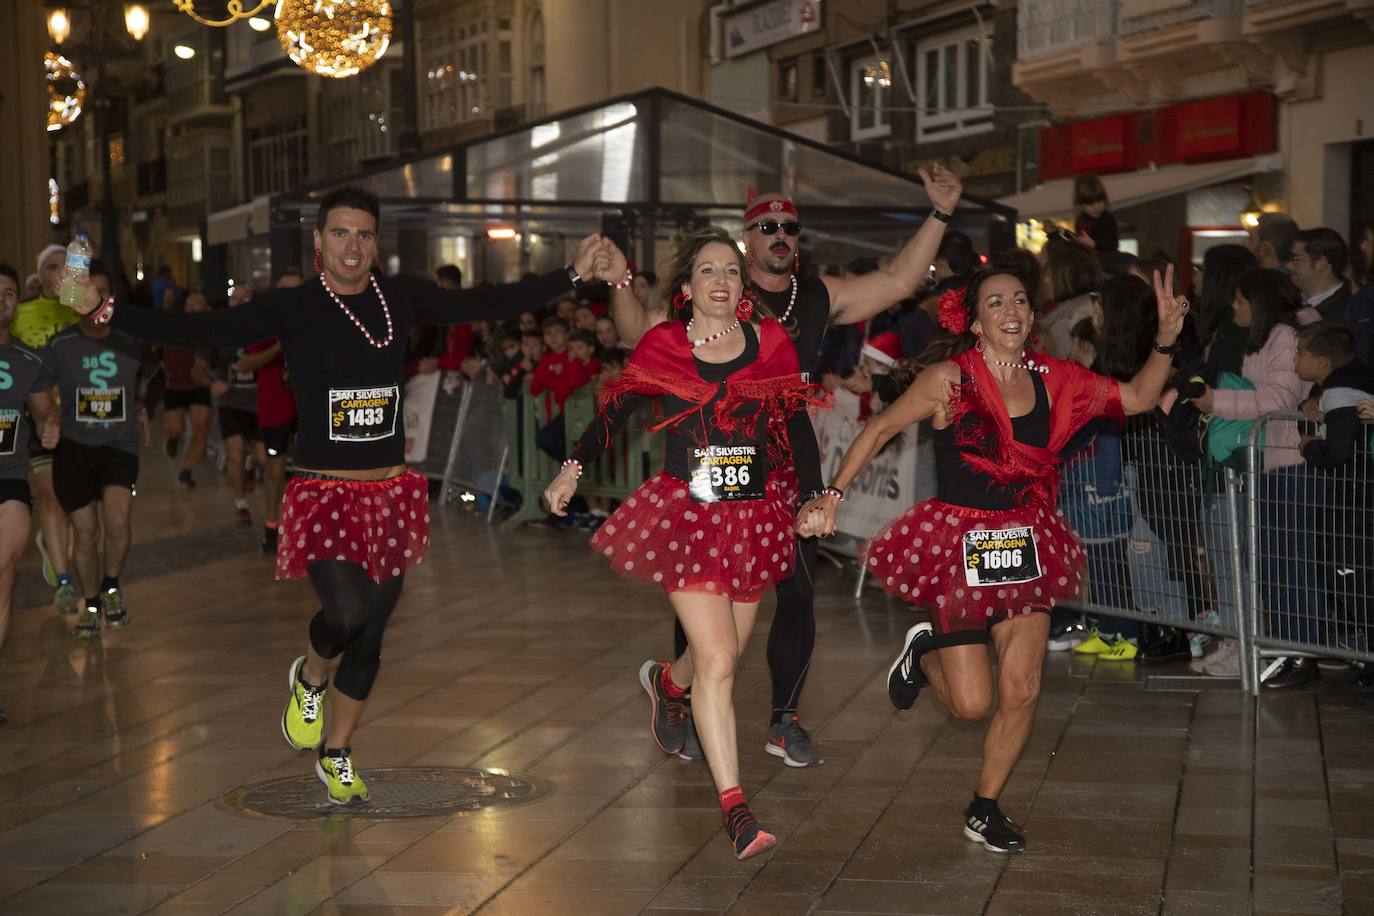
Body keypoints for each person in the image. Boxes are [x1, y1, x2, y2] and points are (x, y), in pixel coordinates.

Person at [75, 185, 609, 804]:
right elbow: (197, 328)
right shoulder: (295, 307)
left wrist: (572, 273)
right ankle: (309, 674)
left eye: (362, 235)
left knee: (374, 634)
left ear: (374, 245)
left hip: (389, 494)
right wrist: (104, 307)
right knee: (347, 616)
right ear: (318, 244)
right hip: (324, 492)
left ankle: (337, 751)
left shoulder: (399, 298)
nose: (351, 246)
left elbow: (485, 302)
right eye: (339, 234)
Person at [798, 263, 1187, 853]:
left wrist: (1164, 341)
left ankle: (984, 807)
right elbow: (878, 430)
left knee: (1023, 688)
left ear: (1031, 317)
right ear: (977, 322)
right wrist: (831, 494)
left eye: (1020, 301)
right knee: (972, 704)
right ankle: (926, 648)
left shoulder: (1056, 378)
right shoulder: (948, 381)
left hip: (1027, 545)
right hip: (961, 547)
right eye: (996, 302)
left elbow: (1136, 396)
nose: (1010, 309)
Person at [607, 162, 966, 768]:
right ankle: (683, 695)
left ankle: (783, 721)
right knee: (707, 590)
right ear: (747, 240)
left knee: (798, 592)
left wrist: (941, 212)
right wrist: (619, 284)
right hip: (714, 463)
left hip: (791, 466)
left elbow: (900, 279)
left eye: (789, 227)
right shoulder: (713, 293)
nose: (779, 234)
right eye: (766, 225)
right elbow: (636, 331)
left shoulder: (817, 295)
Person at [544, 228, 826, 859]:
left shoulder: (771, 342)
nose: (721, 281)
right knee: (721, 658)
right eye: (708, 271)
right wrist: (573, 466)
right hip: (687, 515)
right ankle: (737, 810)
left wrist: (814, 492)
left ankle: (669, 688)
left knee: (713, 659)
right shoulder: (665, 343)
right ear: (687, 288)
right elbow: (614, 409)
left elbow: (795, 419)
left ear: (742, 285)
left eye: (731, 270)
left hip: (752, 518)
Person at [1190, 269, 1321, 683]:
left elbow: (1279, 397)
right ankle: (1288, 649)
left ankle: (1302, 652)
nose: (1234, 306)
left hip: (1288, 460)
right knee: (1271, 562)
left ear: (1258, 302)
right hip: (1267, 460)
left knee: (1289, 562)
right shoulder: (1263, 338)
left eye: (1240, 300)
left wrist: (1218, 401)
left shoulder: (1283, 335)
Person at [48, 268, 162, 638]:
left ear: (110, 300)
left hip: (119, 444)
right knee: (85, 534)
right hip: (75, 447)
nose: (90, 299)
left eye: (99, 293)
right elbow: (41, 390)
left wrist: (143, 404)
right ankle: (91, 601)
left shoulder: (130, 340)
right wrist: (45, 419)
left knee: (118, 523)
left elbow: (155, 374)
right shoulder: (60, 344)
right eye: (84, 292)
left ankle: (111, 585)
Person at [0, 264, 61, 723]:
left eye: (9, 293)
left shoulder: (28, 360)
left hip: (9, 474)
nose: (3, 300)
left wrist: (49, 425)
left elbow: (43, 414)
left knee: (14, 542)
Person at [1295, 322, 1374, 663]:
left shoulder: (1342, 392)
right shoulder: (1350, 380)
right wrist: (1307, 404)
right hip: (1355, 501)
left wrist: (1310, 448)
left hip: (1354, 503)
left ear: (1324, 362)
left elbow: (1339, 450)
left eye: (1300, 353)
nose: (1294, 360)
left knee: (1351, 578)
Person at [11, 244, 79, 616]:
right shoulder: (21, 313)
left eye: (65, 267)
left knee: (75, 504)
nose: (58, 273)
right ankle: (65, 582)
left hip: (82, 418)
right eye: (51, 267)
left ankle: (51, 544)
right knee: (51, 497)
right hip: (39, 417)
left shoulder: (83, 312)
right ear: (39, 275)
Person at [203, 285, 267, 525]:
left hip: (259, 403)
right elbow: (200, 369)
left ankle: (251, 465)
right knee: (235, 454)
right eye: (234, 299)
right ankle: (241, 504)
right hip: (231, 403)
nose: (239, 303)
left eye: (244, 298)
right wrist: (213, 382)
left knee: (263, 458)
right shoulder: (219, 331)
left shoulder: (263, 329)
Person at [160, 290, 214, 488]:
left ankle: (187, 470)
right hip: (175, 384)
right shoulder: (173, 325)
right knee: (176, 429)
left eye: (200, 302)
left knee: (201, 428)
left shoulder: (209, 329)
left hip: (199, 385)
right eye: (192, 302)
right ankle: (172, 439)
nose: (195, 305)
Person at [1290, 228, 1352, 323]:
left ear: (1321, 263)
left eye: (1296, 259)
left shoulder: (1348, 313)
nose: (1289, 266)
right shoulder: (1290, 299)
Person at [1071, 174, 1119, 254]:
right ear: (1080, 205)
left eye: (1100, 201)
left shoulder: (1107, 219)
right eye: (1090, 204)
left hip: (1108, 262)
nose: (1096, 207)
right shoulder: (1081, 221)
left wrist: (1094, 245)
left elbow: (1113, 245)